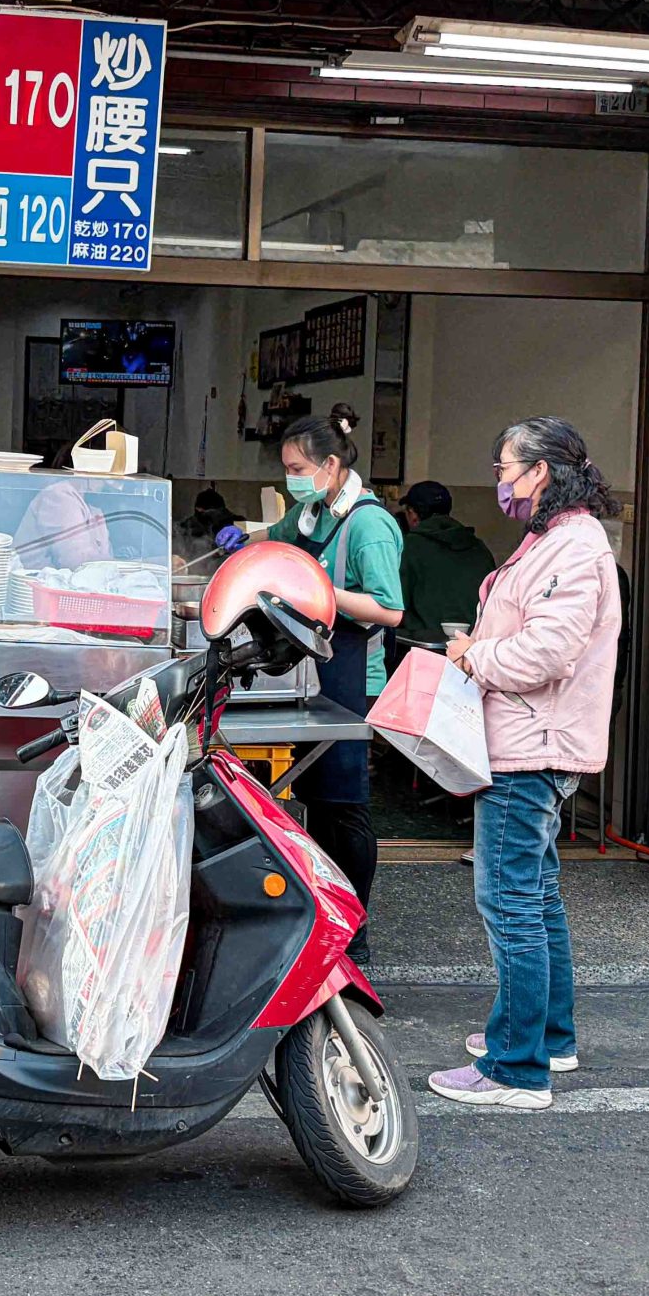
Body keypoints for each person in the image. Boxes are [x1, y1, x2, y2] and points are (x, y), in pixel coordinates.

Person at [426, 417, 623, 1113]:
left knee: (508, 899)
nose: (500, 480)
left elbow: (547, 652)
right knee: (534, 895)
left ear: (541, 472)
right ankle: (548, 1037)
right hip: (525, 736)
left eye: (507, 467)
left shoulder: (574, 548)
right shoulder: (552, 538)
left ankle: (517, 1068)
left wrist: (471, 656)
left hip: (529, 744)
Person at [271, 404, 405, 966]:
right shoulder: (314, 512)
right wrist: (246, 544)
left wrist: (315, 588)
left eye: (298, 468)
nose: (291, 478)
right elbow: (277, 542)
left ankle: (357, 936)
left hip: (354, 675)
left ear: (330, 464)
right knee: (318, 802)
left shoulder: (369, 524)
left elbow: (388, 609)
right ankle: (327, 920)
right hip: (316, 672)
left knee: (345, 805)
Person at [396, 480, 495, 645]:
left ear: (413, 515)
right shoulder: (479, 548)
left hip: (421, 646)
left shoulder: (409, 548)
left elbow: (395, 606)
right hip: (473, 646)